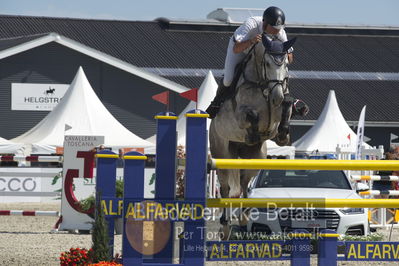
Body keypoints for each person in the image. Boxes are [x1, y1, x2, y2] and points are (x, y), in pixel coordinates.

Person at [206, 6, 309, 140]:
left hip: (262, 57)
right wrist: (252, 40)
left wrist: (284, 56)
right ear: (264, 23)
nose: (276, 32)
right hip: (240, 49)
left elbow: (290, 58)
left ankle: (289, 104)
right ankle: (216, 103)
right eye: (273, 29)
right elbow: (237, 48)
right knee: (228, 79)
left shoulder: (280, 32)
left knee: (282, 70)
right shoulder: (251, 24)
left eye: (278, 29)